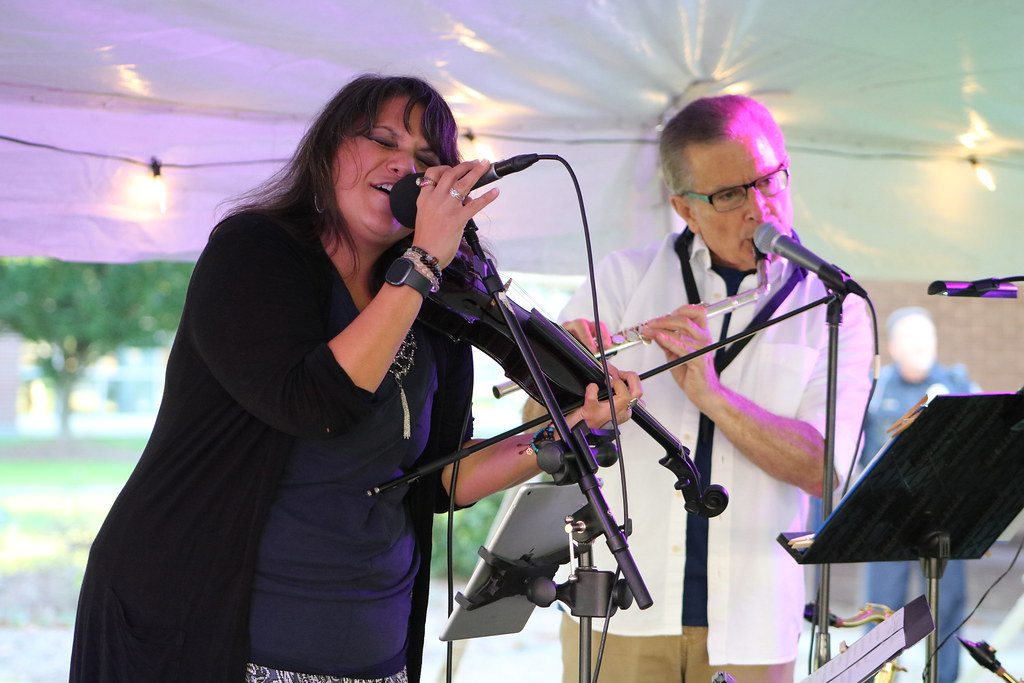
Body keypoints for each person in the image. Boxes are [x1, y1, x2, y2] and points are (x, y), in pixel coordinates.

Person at [68, 74, 642, 683]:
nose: (403, 165)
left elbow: (435, 480)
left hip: (370, 640)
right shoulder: (254, 252)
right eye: (382, 141)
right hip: (214, 630)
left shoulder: (436, 305)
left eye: (425, 159)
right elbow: (316, 403)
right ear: (328, 150)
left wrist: (564, 433)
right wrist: (423, 261)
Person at [555, 94, 874, 683]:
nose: (760, 208)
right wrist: (569, 390)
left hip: (751, 623)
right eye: (729, 194)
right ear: (685, 208)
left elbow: (825, 470)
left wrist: (712, 395)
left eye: (770, 180)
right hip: (619, 612)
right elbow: (539, 428)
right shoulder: (623, 280)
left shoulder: (835, 305)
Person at [860, 306, 977, 683]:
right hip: (887, 521)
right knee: (882, 612)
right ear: (893, 347)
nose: (921, 345)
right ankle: (877, 677)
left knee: (947, 607)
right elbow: (856, 453)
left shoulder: (957, 384)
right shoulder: (875, 389)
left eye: (927, 336)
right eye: (911, 337)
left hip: (946, 521)